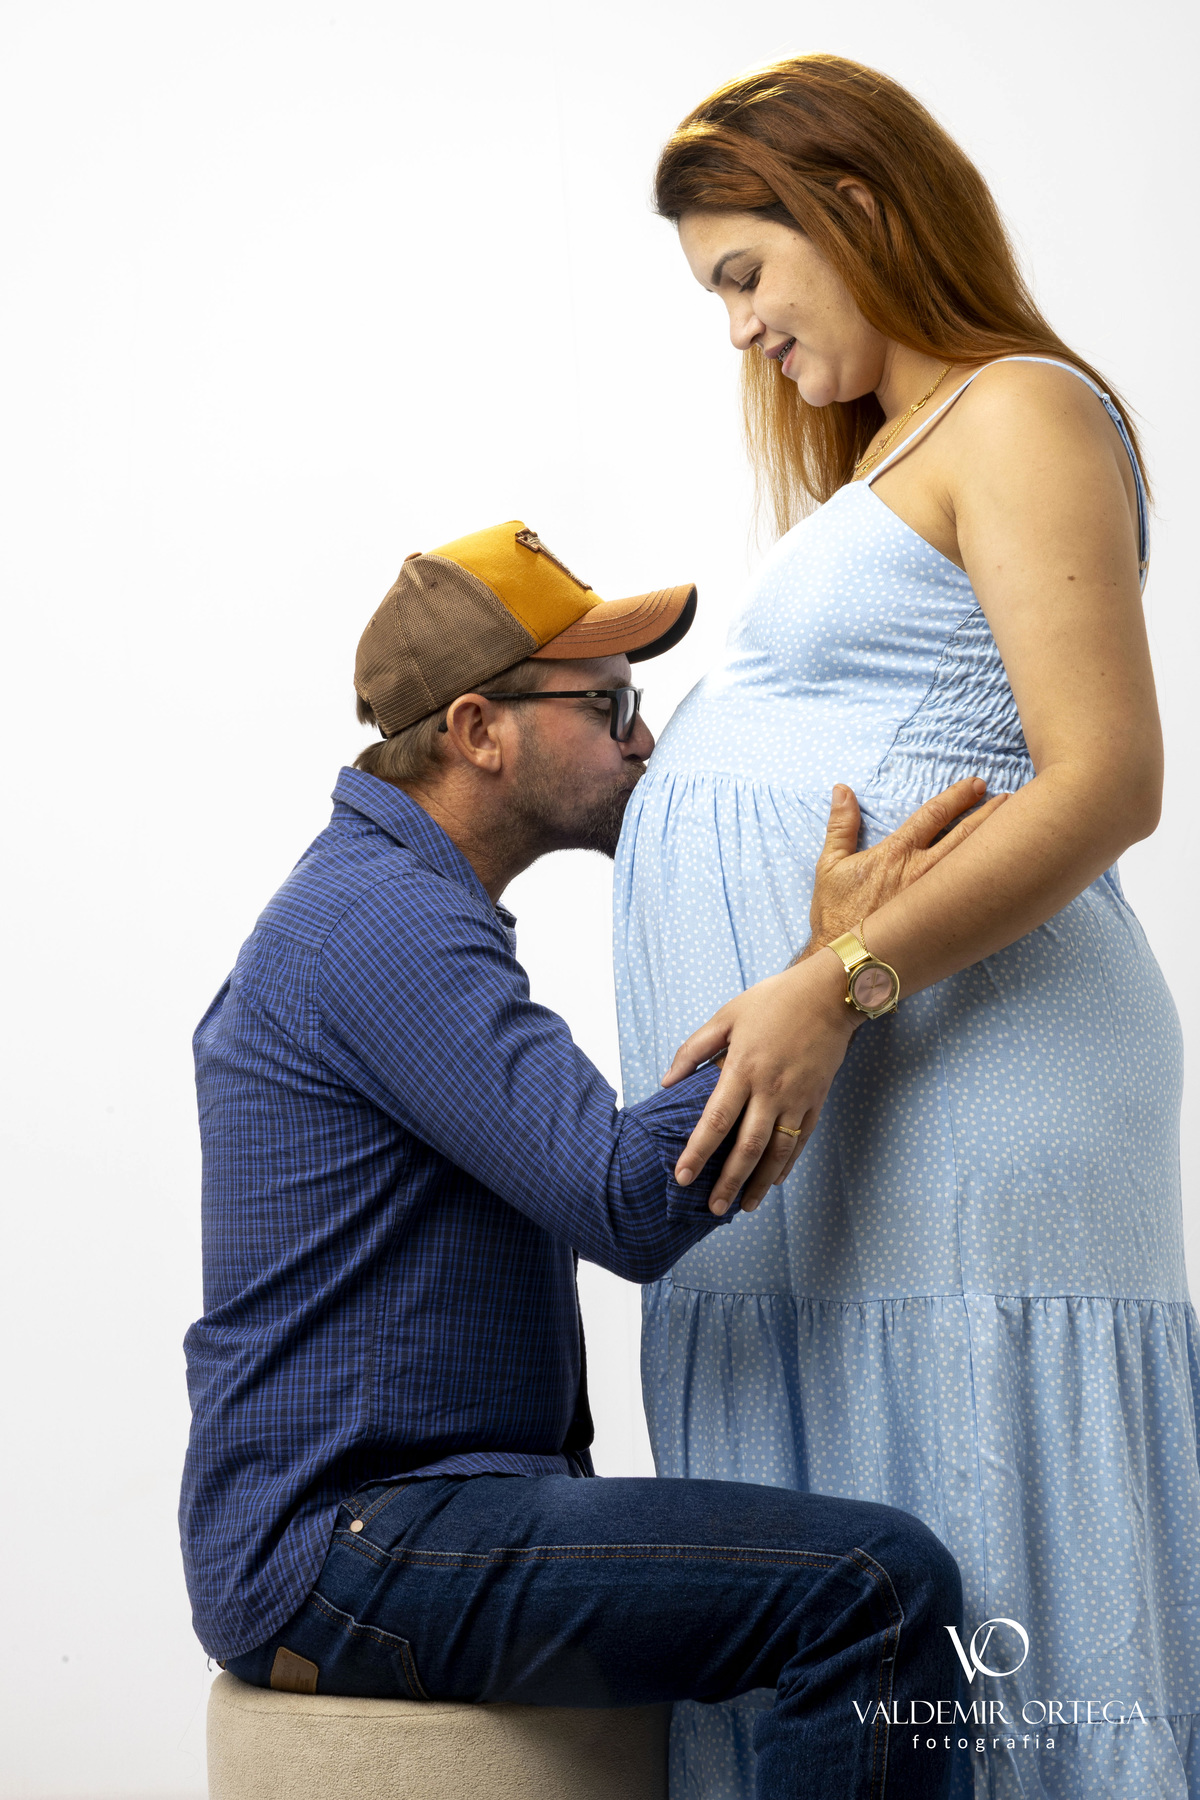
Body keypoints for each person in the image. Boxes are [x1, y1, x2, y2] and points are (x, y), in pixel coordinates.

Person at [180, 519, 1000, 1799]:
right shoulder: (380, 924)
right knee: (870, 1593)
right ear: (478, 729)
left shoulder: (392, 905)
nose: (644, 738)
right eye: (609, 704)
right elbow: (625, 1203)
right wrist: (831, 976)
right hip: (347, 1546)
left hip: (393, 1522)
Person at [613, 55, 1199, 1800]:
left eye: (746, 274)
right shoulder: (900, 450)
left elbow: (1107, 779)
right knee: (867, 1579)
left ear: (857, 207)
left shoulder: (1018, 409)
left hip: (971, 1068)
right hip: (860, 1111)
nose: (739, 329)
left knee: (993, 1556)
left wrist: (839, 983)